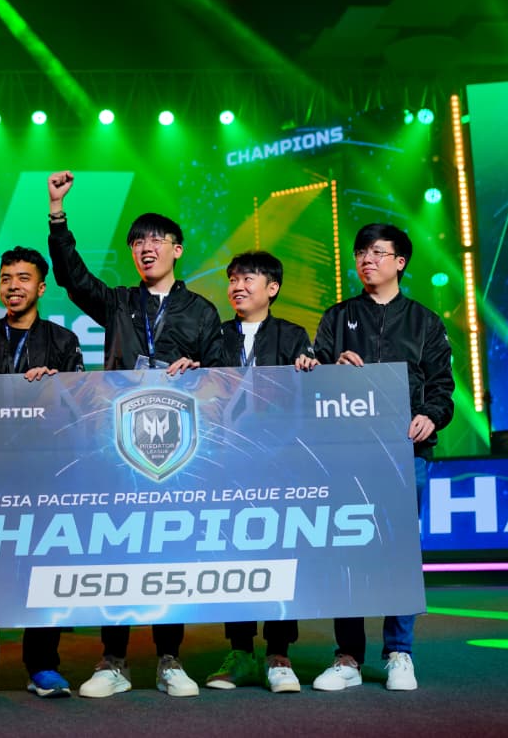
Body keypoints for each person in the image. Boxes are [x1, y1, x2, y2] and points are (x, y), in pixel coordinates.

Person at [45, 170, 223, 699]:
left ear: (177, 249)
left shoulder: (202, 310)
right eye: (138, 242)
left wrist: (199, 370)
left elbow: (224, 378)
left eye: (156, 240)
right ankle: (114, 661)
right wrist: (57, 213)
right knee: (116, 551)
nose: (146, 248)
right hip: (118, 444)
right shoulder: (119, 302)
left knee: (171, 552)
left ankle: (170, 660)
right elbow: (72, 277)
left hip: (179, 449)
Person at [296, 223, 454, 693]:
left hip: (406, 452)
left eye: (378, 252)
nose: (367, 259)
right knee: (347, 550)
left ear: (400, 262)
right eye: (361, 252)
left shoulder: (425, 321)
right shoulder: (338, 316)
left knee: (398, 552)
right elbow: (313, 381)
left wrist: (430, 416)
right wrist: (325, 368)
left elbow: (442, 389)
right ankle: (347, 656)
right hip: (347, 453)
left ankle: (399, 653)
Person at [0, 246, 84, 700]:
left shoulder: (62, 342)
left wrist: (53, 387)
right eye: (6, 278)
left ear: (41, 288)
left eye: (23, 278)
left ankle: (42, 665)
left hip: (43, 474)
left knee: (41, 568)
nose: (13, 286)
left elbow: (79, 409)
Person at [204, 250, 311, 694]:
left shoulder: (293, 335)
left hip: (279, 464)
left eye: (248, 278)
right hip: (226, 464)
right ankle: (241, 652)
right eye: (232, 279)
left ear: (273, 288)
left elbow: (306, 398)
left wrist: (311, 369)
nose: (238, 286)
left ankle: (279, 654)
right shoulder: (214, 335)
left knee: (281, 553)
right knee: (235, 557)